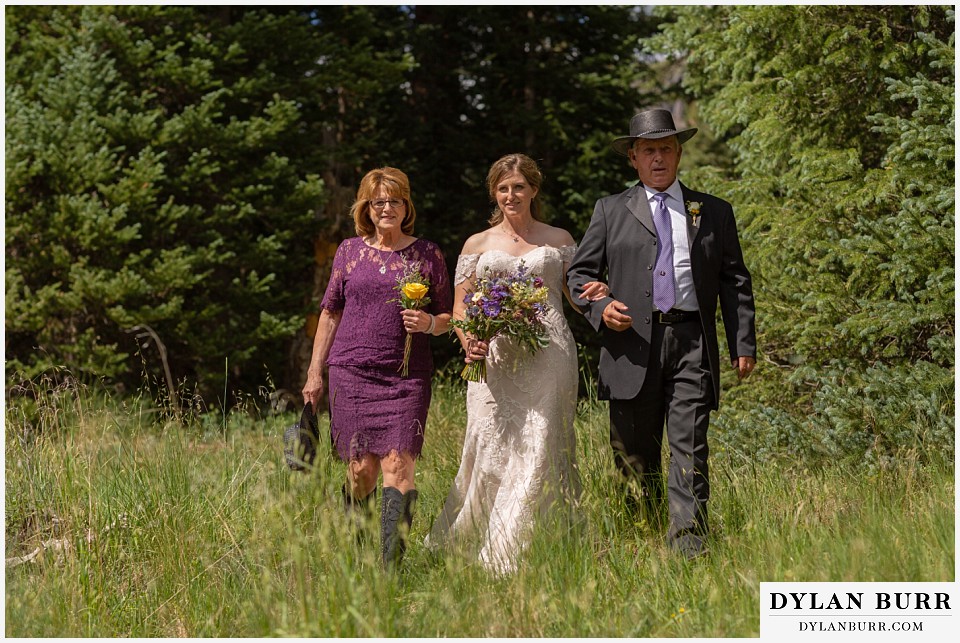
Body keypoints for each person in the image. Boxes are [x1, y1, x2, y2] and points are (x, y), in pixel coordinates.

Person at [566, 108, 757, 558]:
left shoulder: (712, 211)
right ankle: (641, 530)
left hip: (692, 341)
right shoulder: (610, 210)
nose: (658, 158)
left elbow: (734, 279)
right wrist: (600, 307)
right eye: (648, 150)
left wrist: (742, 342)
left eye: (666, 149)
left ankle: (689, 544)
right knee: (634, 452)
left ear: (678, 153)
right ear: (633, 157)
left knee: (690, 446)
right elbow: (579, 276)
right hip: (631, 346)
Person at [425, 153, 608, 574]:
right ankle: (472, 542)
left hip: (550, 354)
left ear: (533, 190)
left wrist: (597, 294)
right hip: (495, 359)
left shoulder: (558, 238)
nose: (511, 195)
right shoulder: (477, 245)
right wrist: (468, 340)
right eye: (503, 188)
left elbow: (575, 298)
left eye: (519, 187)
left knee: (543, 441)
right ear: (495, 193)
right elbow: (461, 308)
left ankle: (519, 548)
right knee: (489, 445)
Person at [302, 167, 452, 569]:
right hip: (351, 373)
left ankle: (391, 571)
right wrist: (315, 372)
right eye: (378, 201)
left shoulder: (428, 254)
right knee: (361, 471)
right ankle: (357, 551)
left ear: (407, 206)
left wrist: (429, 324)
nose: (387, 208)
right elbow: (330, 313)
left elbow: (449, 316)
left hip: (407, 377)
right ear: (366, 208)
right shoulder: (349, 251)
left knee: (398, 466)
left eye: (395, 200)